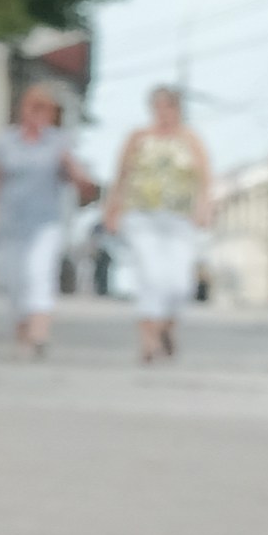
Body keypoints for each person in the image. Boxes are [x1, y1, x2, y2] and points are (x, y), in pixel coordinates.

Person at [0, 85, 94, 362]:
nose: (36, 115)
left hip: (44, 223)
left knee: (39, 275)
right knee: (13, 281)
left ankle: (40, 333)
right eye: (32, 108)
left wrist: (80, 177)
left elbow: (78, 179)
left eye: (43, 110)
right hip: (10, 224)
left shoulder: (58, 143)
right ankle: (22, 329)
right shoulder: (6, 142)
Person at [108, 82, 217, 366]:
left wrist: (205, 208)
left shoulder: (190, 139)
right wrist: (112, 209)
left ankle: (167, 325)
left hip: (179, 219)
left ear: (177, 110)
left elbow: (205, 179)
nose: (163, 113)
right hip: (141, 215)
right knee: (151, 275)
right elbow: (121, 175)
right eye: (158, 107)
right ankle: (149, 339)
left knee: (179, 283)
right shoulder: (138, 138)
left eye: (169, 107)